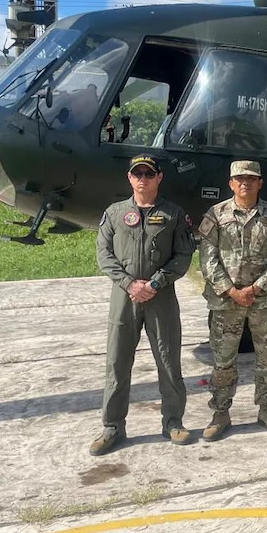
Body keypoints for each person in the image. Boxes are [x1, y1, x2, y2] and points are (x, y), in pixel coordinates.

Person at [91, 155, 195, 455]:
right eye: (138, 174)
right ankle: (112, 427)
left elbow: (182, 256)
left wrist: (154, 283)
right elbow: (104, 254)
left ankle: (173, 422)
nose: (143, 179)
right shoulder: (114, 213)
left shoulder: (174, 214)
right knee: (117, 363)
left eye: (149, 174)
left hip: (160, 298)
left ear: (159, 178)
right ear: (129, 177)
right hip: (124, 299)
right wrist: (129, 284)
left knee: (169, 361)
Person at [196, 160, 267, 441]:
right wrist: (231, 290)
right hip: (226, 303)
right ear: (231, 183)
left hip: (263, 302)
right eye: (239, 179)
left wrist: (256, 288)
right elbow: (207, 258)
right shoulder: (215, 215)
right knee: (223, 361)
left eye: (251, 178)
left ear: (260, 182)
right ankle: (220, 413)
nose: (245, 183)